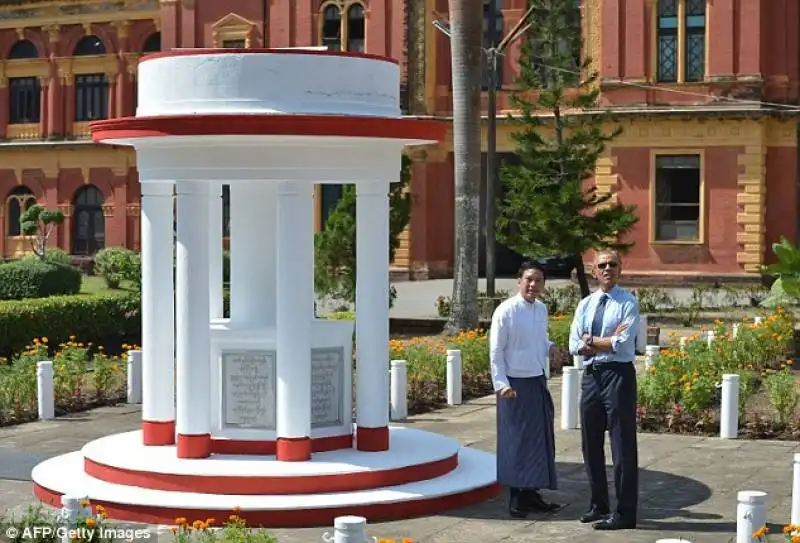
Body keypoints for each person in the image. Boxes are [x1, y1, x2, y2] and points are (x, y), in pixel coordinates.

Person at [568, 249, 640, 531]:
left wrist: (593, 340)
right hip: (592, 376)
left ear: (620, 269)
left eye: (613, 264)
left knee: (622, 446)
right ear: (594, 271)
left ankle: (625, 513)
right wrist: (601, 340)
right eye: (602, 265)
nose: (608, 268)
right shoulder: (586, 304)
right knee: (590, 443)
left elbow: (622, 343)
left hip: (617, 376)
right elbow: (575, 343)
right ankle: (599, 504)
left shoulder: (627, 302)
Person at [490, 261, 561, 518]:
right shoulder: (505, 311)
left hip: (536, 380)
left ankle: (532, 494)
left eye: (538, 280)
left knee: (539, 440)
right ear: (519, 281)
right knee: (517, 440)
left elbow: (539, 340)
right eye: (529, 279)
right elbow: (496, 351)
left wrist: (550, 347)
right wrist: (502, 385)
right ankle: (517, 497)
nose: (533, 285)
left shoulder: (541, 309)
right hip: (513, 384)